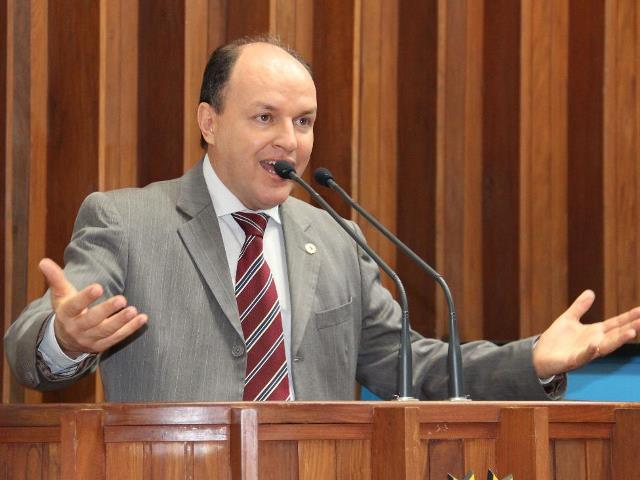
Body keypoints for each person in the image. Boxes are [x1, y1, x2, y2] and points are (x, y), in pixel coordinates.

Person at [5, 36, 640, 402]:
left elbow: (410, 367)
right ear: (208, 122)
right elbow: (31, 345)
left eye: (303, 122)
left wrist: (534, 362)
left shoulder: (335, 236)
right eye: (265, 118)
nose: (291, 141)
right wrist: (65, 337)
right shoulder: (126, 220)